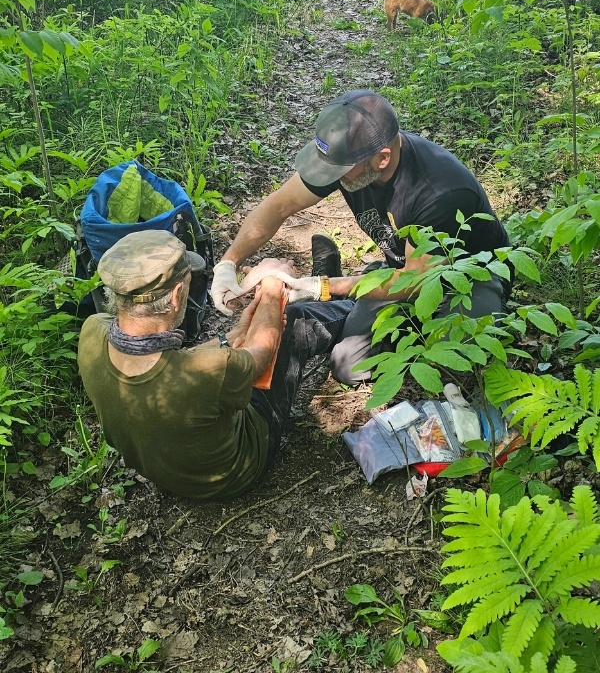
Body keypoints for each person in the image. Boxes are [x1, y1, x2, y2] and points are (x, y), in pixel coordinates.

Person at [210, 89, 512, 385]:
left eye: (338, 171)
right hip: (402, 268)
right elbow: (278, 205)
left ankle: (338, 285)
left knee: (464, 357)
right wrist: (227, 263)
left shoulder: (439, 193)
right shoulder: (350, 157)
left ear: (382, 159)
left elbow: (417, 280)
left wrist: (323, 288)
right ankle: (346, 290)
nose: (329, 178)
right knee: (350, 366)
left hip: (470, 278)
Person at [77, 230, 353, 500]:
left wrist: (228, 338)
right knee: (295, 322)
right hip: (235, 472)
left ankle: (328, 288)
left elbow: (171, 364)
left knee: (260, 328)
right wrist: (273, 286)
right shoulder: (206, 372)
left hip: (169, 469)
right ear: (175, 296)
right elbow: (261, 353)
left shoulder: (93, 331)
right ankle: (355, 301)